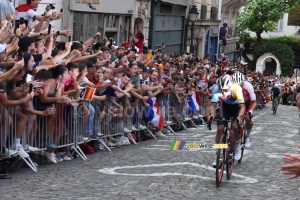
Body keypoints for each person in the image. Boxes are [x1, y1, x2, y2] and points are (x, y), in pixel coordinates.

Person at [208, 75, 245, 167]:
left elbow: (242, 107)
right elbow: (213, 105)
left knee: (235, 126)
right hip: (224, 107)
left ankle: (237, 146)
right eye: (222, 90)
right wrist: (212, 115)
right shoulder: (217, 88)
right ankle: (217, 155)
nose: (223, 92)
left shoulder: (237, 88)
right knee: (220, 128)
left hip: (237, 107)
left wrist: (239, 117)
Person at [232, 72, 257, 147]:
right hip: (238, 104)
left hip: (248, 103)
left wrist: (251, 111)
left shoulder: (248, 86)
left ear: (243, 82)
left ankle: (248, 135)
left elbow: (254, 102)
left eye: (240, 85)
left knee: (247, 117)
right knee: (235, 123)